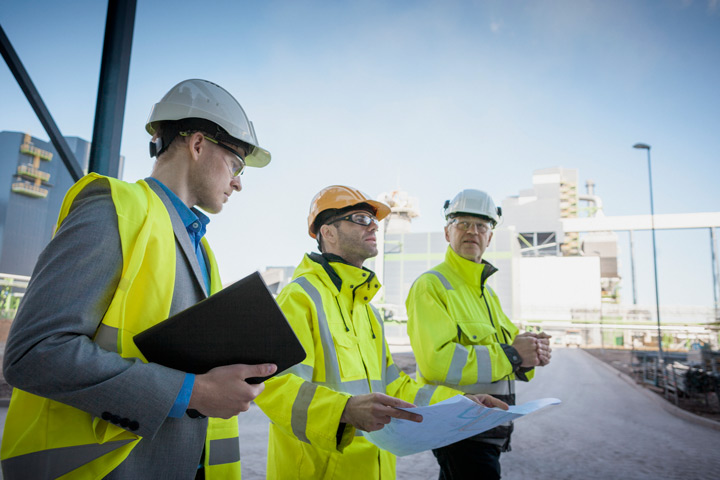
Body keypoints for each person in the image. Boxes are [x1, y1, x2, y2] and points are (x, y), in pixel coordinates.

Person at [1, 79, 276, 479]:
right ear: (198, 145)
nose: (238, 182)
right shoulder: (114, 208)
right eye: (236, 165)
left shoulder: (204, 252)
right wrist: (194, 392)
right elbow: (34, 353)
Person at [254, 185, 508, 479]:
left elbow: (395, 387)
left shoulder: (368, 312)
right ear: (328, 232)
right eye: (361, 218)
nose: (374, 225)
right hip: (319, 470)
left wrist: (458, 403)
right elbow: (274, 386)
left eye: (374, 220)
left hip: (373, 469)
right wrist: (345, 409)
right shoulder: (300, 297)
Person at [406, 189, 552, 480]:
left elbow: (512, 353)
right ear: (448, 232)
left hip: (488, 428)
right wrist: (512, 354)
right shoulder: (431, 286)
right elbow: (438, 363)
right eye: (462, 223)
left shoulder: (488, 295)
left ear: (490, 237)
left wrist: (532, 352)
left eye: (481, 225)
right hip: (459, 427)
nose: (472, 231)